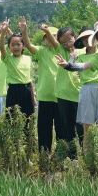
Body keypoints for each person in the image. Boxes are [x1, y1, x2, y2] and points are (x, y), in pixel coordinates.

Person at [42, 26, 81, 156]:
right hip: (64, 95)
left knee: (81, 129)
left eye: (69, 41)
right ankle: (71, 157)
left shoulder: (83, 52)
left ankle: (84, 157)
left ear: (75, 37)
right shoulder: (61, 51)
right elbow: (54, 42)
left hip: (79, 94)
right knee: (67, 130)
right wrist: (47, 32)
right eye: (63, 43)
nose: (67, 45)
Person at [24, 21, 59, 152]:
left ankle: (61, 157)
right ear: (44, 40)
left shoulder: (63, 52)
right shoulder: (42, 51)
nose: (49, 38)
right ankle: (44, 157)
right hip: (45, 96)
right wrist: (24, 32)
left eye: (53, 36)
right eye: (46, 36)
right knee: (44, 130)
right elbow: (28, 45)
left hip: (61, 96)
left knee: (61, 130)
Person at [69, 27, 98, 146]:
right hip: (87, 89)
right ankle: (87, 156)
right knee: (87, 128)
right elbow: (70, 67)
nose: (87, 40)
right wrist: (72, 58)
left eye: (89, 37)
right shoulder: (80, 57)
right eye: (84, 38)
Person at [3, 20, 36, 120]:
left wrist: (33, 95)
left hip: (27, 90)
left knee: (29, 119)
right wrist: (4, 31)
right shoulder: (8, 58)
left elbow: (29, 78)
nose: (16, 47)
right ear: (9, 47)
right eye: (13, 45)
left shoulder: (28, 59)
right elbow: (1, 46)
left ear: (23, 46)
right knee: (11, 119)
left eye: (18, 44)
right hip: (13, 90)